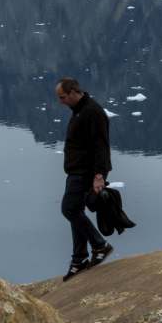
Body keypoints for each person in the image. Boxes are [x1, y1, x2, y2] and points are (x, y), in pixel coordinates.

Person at [55, 76, 112, 280]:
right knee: (75, 211)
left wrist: (99, 176)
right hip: (76, 172)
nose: (60, 101)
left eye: (62, 97)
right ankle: (79, 259)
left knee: (69, 209)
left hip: (84, 173)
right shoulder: (80, 110)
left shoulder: (92, 112)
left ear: (72, 92)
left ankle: (99, 245)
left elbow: (101, 146)